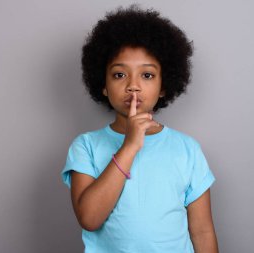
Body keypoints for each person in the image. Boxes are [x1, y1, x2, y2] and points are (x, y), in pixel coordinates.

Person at [61, 5, 219, 253]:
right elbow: (89, 219)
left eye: (146, 75)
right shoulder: (85, 146)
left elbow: (202, 231)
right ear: (103, 85)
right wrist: (130, 146)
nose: (133, 86)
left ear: (164, 86)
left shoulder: (187, 149)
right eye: (119, 75)